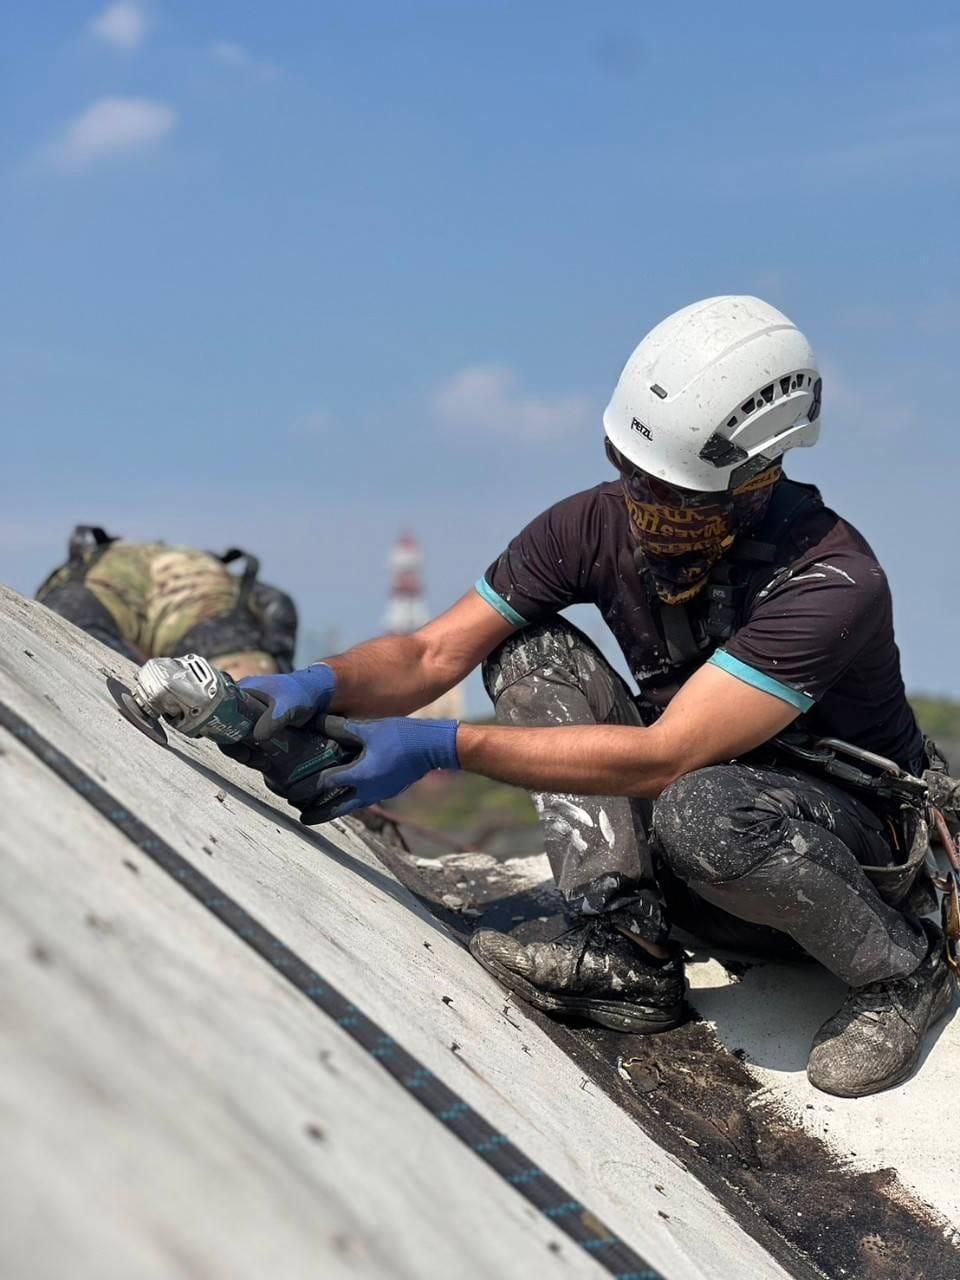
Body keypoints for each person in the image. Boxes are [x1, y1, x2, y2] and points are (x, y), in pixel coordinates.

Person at [234, 297, 955, 1098]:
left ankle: (904, 968)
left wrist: (441, 746)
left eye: (672, 495)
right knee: (528, 648)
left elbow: (667, 755)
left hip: (830, 848)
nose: (642, 507)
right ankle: (626, 944)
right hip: (697, 829)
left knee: (704, 809)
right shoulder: (594, 525)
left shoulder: (830, 582)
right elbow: (433, 650)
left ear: (757, 478)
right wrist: (316, 683)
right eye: (630, 473)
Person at [36, 530, 297, 681]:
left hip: (186, 598)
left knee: (244, 696)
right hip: (191, 596)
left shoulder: (95, 576)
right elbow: (278, 606)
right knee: (248, 699)